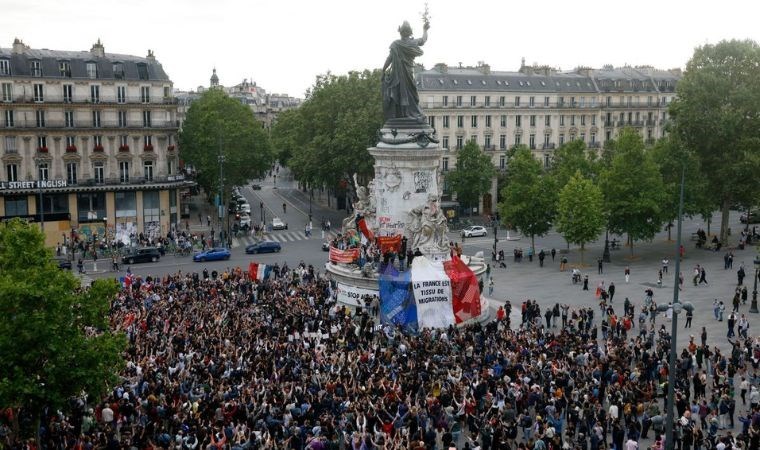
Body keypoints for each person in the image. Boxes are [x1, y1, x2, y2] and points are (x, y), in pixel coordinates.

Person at [381, 18, 430, 122]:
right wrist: (425, 29)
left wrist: (383, 70)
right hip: (407, 73)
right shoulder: (412, 43)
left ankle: (402, 114)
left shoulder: (396, 44)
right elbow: (423, 40)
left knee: (400, 92)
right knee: (412, 93)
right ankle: (410, 113)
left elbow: (389, 59)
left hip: (398, 75)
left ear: (401, 32)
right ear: (410, 32)